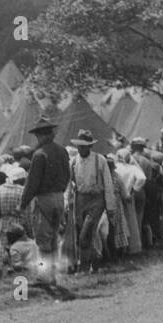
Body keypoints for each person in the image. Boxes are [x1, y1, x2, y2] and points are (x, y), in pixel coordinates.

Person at [19, 116, 71, 287]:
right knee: (54, 238)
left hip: (44, 199)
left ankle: (43, 276)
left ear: (42, 136)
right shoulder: (62, 151)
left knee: (42, 241)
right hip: (59, 197)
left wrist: (23, 203)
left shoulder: (39, 155)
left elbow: (32, 183)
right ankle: (54, 275)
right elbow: (67, 176)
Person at [65, 130, 113, 273]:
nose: (81, 149)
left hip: (96, 199)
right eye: (79, 146)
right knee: (83, 233)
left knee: (85, 233)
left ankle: (83, 267)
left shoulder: (100, 160)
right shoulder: (73, 161)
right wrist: (67, 202)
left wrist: (110, 206)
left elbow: (108, 184)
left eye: (84, 146)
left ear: (90, 146)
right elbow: (68, 184)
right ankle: (95, 261)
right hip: (80, 199)